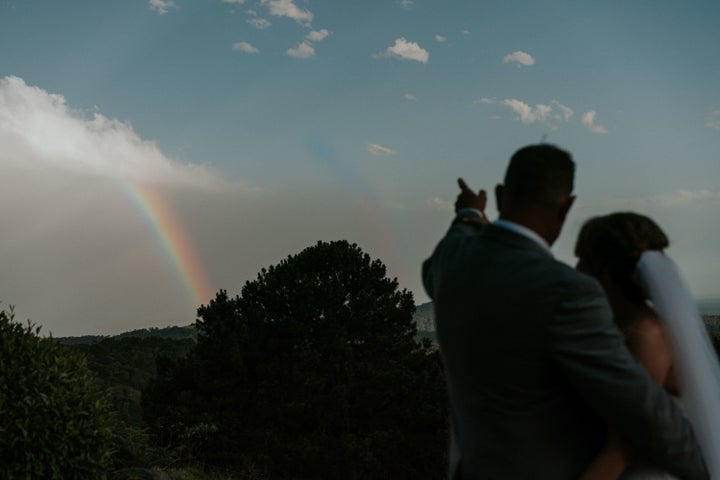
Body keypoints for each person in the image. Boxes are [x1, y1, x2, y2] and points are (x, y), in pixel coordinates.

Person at [422, 144, 708, 480]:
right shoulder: (566, 290)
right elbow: (649, 417)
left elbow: (460, 241)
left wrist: (467, 214)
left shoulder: (449, 261)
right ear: (567, 205)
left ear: (500, 195)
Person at [575, 213, 720, 479]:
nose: (576, 270)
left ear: (604, 271)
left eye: (582, 259)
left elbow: (623, 448)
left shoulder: (647, 337)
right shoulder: (624, 329)